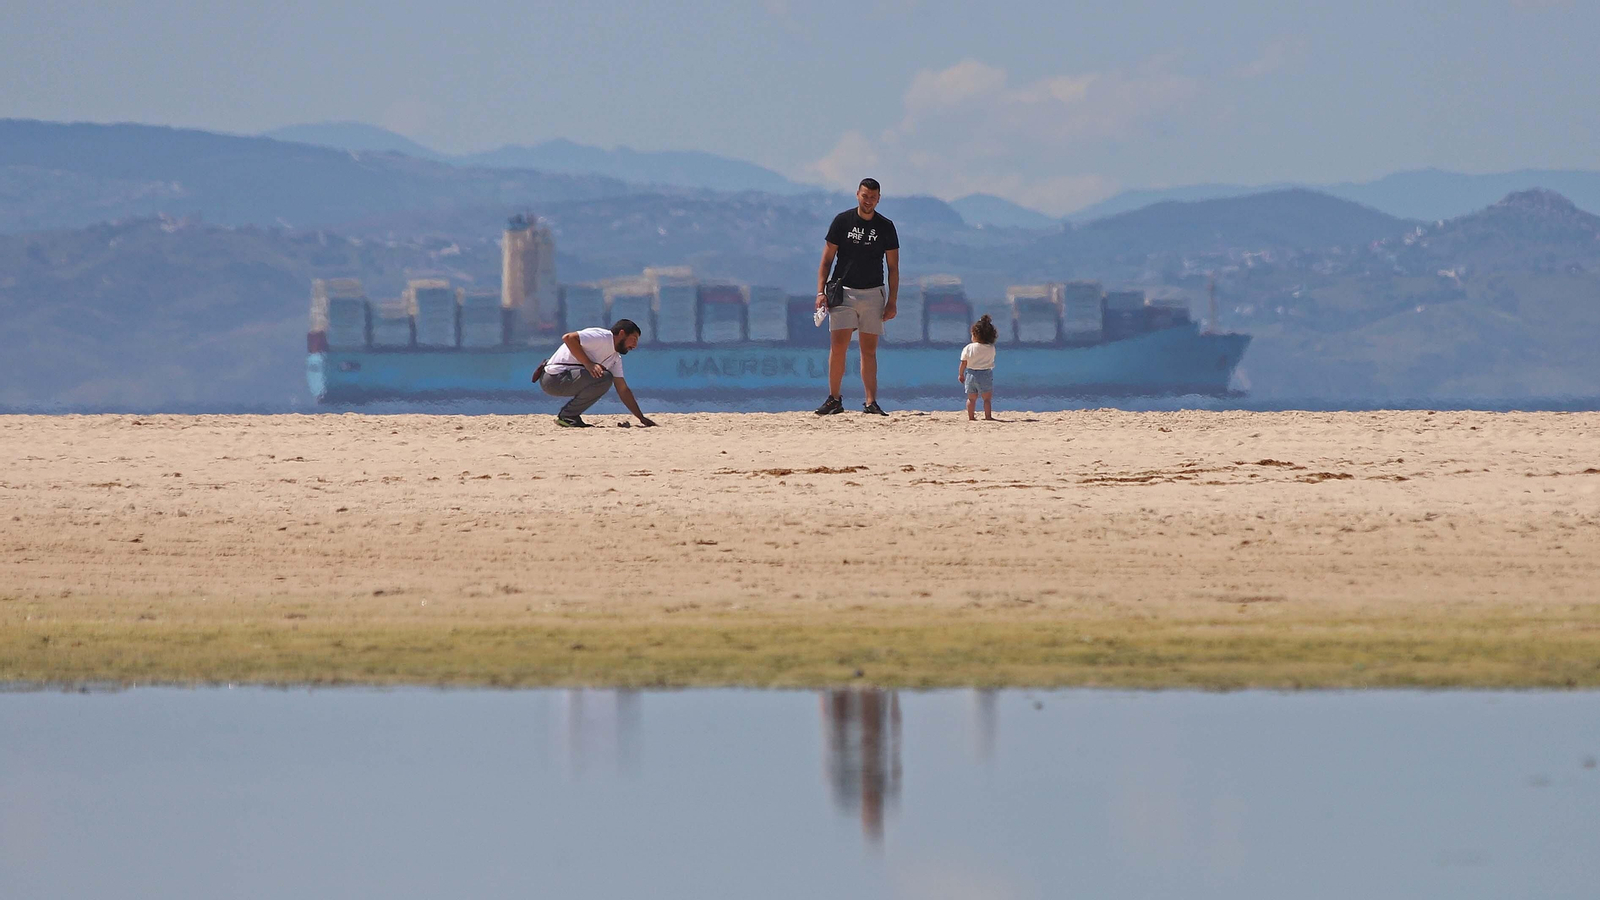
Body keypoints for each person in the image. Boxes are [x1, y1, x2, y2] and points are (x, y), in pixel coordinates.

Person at [814, 178, 900, 416]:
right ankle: (834, 398)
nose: (868, 201)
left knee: (868, 350)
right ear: (857, 195)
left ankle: (871, 401)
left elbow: (893, 267)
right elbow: (826, 260)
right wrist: (821, 291)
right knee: (838, 347)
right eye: (865, 196)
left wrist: (892, 300)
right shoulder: (843, 221)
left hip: (873, 293)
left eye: (873, 197)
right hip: (844, 292)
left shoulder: (886, 226)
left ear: (879, 199)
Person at [537, 319, 657, 428]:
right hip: (553, 378)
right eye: (634, 339)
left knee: (605, 378)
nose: (635, 345)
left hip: (564, 380)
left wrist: (641, 417)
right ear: (621, 333)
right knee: (604, 378)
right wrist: (588, 364)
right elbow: (568, 338)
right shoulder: (601, 337)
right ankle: (568, 416)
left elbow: (623, 390)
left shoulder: (615, 358)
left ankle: (570, 416)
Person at [958, 315, 998, 421]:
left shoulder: (968, 347)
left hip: (971, 374)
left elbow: (963, 363)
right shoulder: (991, 348)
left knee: (971, 399)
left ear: (975, 334)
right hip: (985, 374)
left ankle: (971, 417)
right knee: (987, 399)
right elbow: (991, 360)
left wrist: (961, 374)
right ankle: (988, 417)